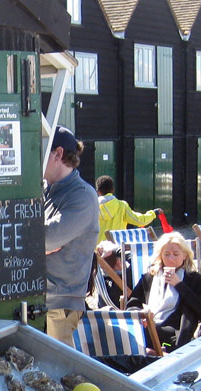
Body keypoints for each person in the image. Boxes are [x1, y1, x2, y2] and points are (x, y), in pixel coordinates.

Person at [43, 125, 99, 344]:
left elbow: (44, 238)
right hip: (38, 299)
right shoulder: (46, 191)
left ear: (58, 154)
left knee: (58, 372)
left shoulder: (82, 195)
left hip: (60, 305)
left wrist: (37, 240)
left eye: (40, 150)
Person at [126, 231, 201, 350]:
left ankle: (153, 352)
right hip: (149, 326)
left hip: (177, 333)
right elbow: (131, 305)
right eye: (166, 254)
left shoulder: (193, 279)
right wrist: (141, 315)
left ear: (185, 255)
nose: (171, 258)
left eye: (176, 254)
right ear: (160, 256)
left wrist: (179, 285)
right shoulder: (149, 278)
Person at [95, 175, 156, 242]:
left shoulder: (93, 206)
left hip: (98, 249)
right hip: (117, 248)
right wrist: (153, 213)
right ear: (113, 190)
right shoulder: (122, 206)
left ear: (98, 191)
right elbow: (139, 220)